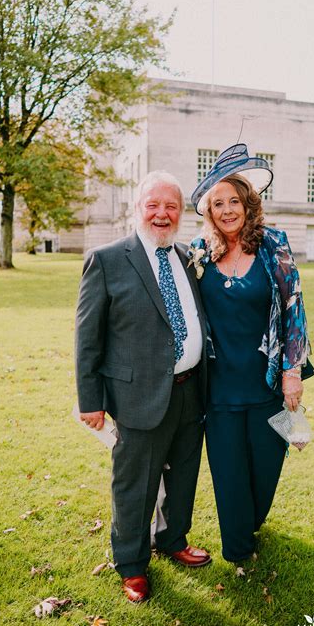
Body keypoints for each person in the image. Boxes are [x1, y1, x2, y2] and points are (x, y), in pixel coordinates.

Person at [75, 171, 211, 604]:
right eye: (153, 204)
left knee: (184, 473)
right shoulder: (108, 259)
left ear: (181, 212)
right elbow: (88, 337)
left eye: (171, 206)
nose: (162, 213)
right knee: (135, 484)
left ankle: (172, 540)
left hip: (191, 389)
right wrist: (89, 400)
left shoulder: (189, 257)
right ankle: (132, 565)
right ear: (138, 208)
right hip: (137, 396)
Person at [188, 144, 313, 564]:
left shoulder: (274, 244)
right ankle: (237, 546)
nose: (226, 210)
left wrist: (292, 371)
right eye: (217, 203)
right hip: (217, 389)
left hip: (267, 383)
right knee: (228, 473)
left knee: (265, 469)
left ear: (248, 203)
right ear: (209, 210)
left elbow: (294, 307)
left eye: (234, 201)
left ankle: (253, 519)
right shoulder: (198, 253)